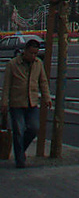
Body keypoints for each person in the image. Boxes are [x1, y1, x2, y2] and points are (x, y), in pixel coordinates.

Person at [1, 38, 52, 168]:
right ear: (25, 51)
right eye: (31, 53)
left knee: (34, 128)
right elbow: (6, 85)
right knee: (18, 130)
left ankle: (20, 150)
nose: (33, 56)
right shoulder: (13, 64)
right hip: (16, 103)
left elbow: (43, 82)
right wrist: (4, 102)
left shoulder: (38, 64)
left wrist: (47, 97)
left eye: (35, 53)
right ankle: (20, 160)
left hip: (32, 102)